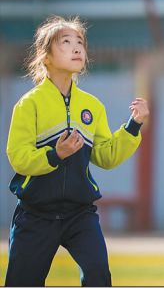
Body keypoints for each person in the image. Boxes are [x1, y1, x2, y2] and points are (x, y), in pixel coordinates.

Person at [5, 15, 149, 286]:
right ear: (45, 57)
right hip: (35, 214)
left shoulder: (92, 106)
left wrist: (133, 126)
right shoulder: (29, 105)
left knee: (98, 276)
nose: (77, 48)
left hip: (80, 214)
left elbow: (106, 156)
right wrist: (54, 155)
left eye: (80, 42)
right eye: (66, 42)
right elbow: (19, 158)